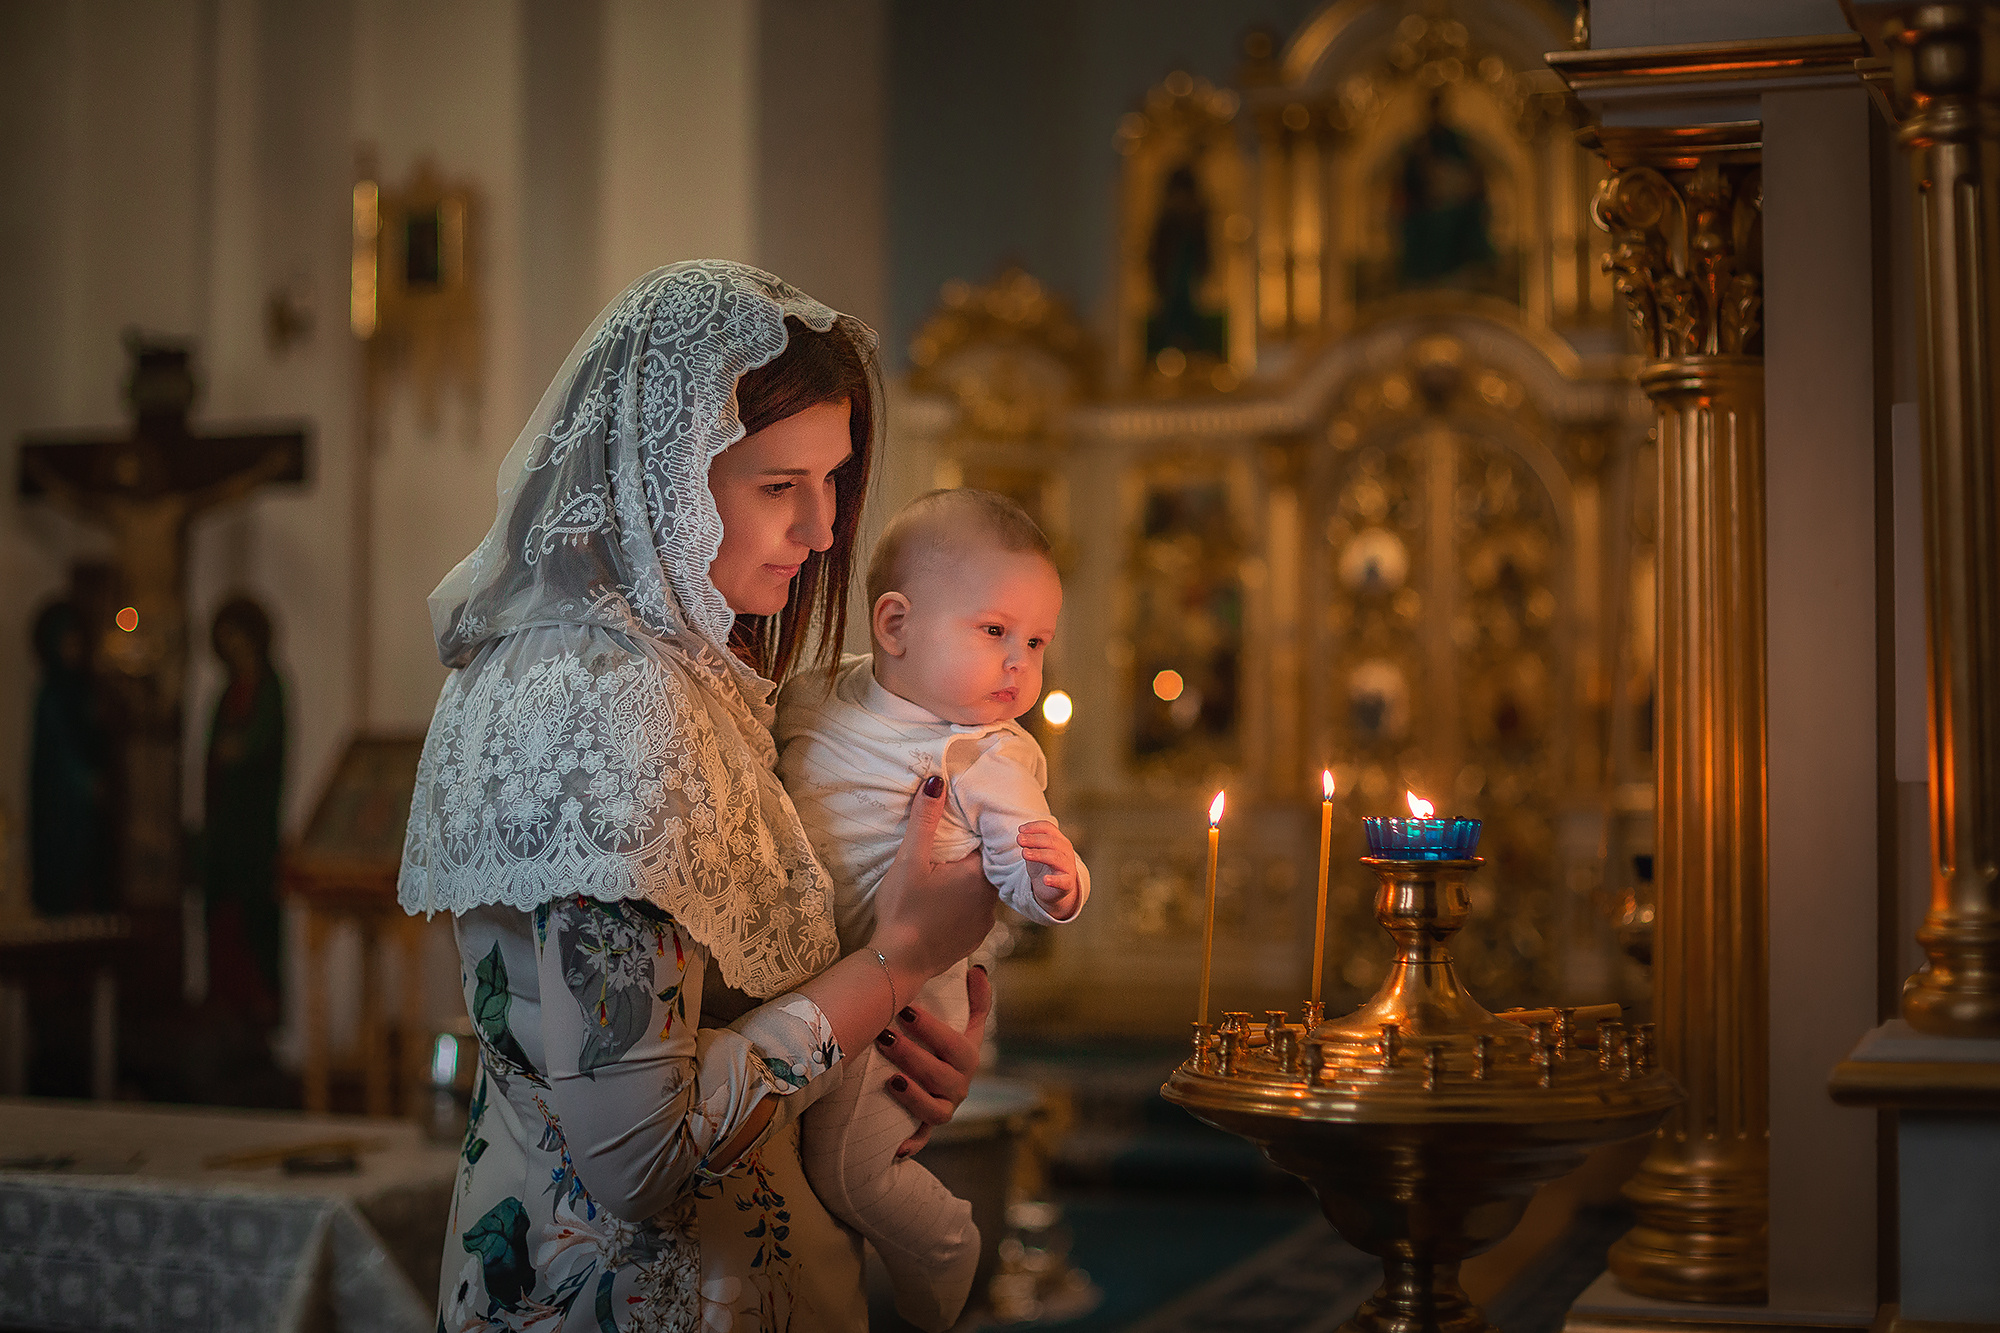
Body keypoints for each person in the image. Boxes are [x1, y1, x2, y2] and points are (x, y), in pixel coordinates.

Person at [399, 261, 999, 1331]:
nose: (822, 532)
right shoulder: (613, 709)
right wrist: (900, 956)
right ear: (660, 474)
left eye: (833, 480)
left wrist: (889, 1065)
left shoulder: (646, 673)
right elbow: (643, 1162)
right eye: (779, 486)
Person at [776, 488, 1090, 1330]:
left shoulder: (987, 756)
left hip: (908, 1003)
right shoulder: (816, 697)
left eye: (1036, 641)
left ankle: (945, 1249)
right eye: (995, 631)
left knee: (849, 1170)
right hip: (818, 976)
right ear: (893, 625)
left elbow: (1023, 858)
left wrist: (1053, 883)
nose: (1021, 662)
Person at [201, 594, 286, 1015]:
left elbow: (253, 747)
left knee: (255, 921)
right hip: (225, 831)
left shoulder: (270, 688)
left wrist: (238, 752)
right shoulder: (227, 693)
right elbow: (216, 756)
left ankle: (258, 1012)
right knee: (224, 920)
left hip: (255, 830)